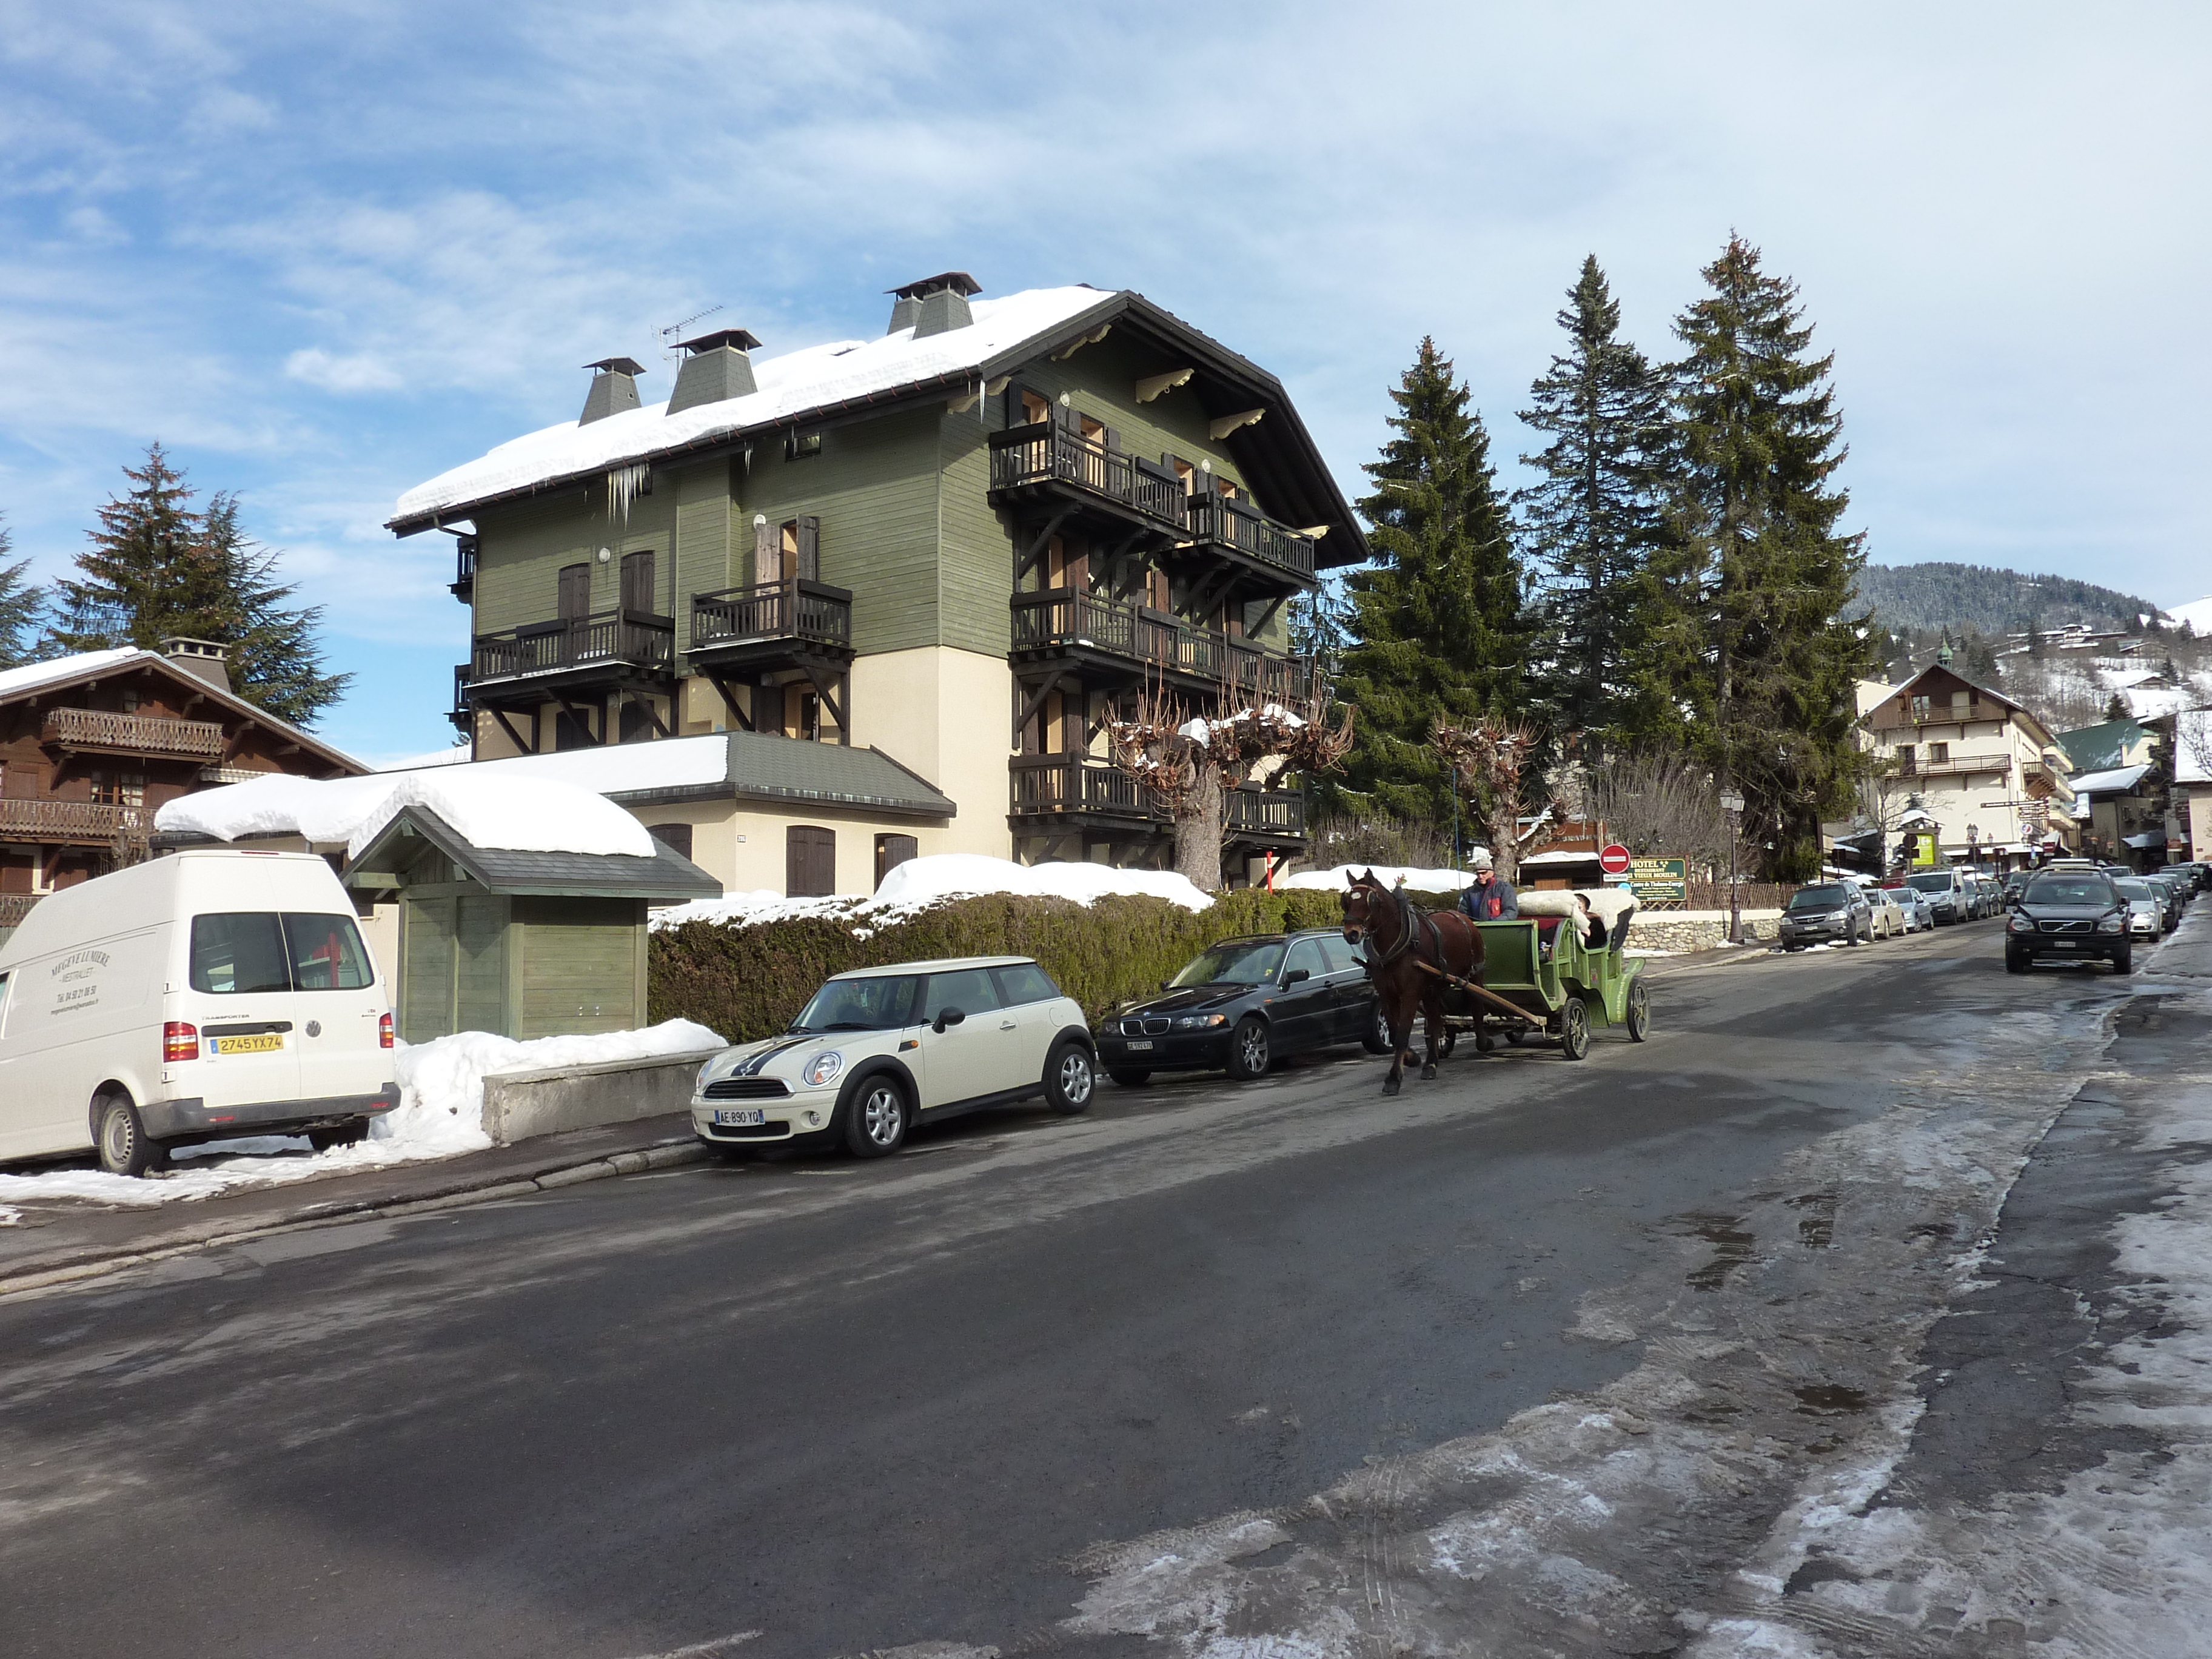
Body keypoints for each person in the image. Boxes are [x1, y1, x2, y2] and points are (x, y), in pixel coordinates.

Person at [1458, 851, 1518, 921]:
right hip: (1477, 930)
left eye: (1484, 873)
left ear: (1492, 872)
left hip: (1500, 929)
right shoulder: (1469, 892)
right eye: (1478, 874)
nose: (1480, 876)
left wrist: (1493, 924)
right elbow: (1463, 914)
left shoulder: (1504, 888)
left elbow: (1511, 912)